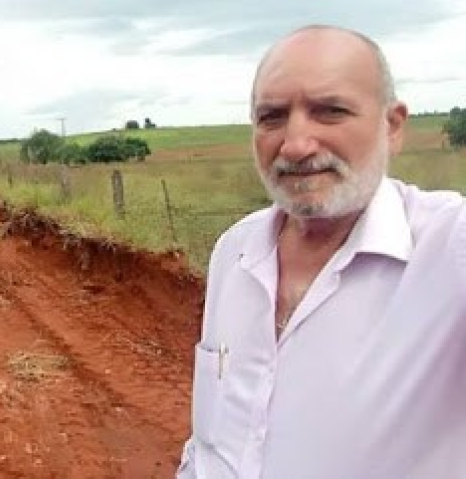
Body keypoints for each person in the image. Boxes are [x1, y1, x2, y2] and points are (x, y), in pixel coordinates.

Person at [177, 25, 465, 479]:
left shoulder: (448, 249)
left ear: (392, 126)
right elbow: (210, 446)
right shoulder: (234, 252)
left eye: (330, 111)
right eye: (271, 117)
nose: (295, 145)